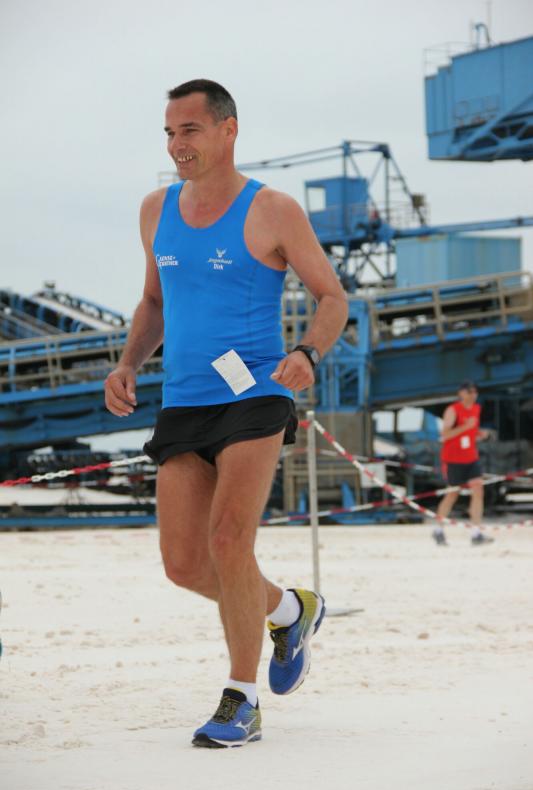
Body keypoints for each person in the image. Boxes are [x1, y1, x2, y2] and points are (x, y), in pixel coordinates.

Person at [104, 79, 348, 748]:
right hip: (184, 399)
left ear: (227, 129)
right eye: (169, 132)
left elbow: (332, 297)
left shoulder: (272, 209)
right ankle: (288, 609)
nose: (176, 144)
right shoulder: (155, 210)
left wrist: (307, 352)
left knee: (229, 541)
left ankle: (242, 698)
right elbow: (154, 303)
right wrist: (127, 364)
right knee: (184, 564)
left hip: (254, 395)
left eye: (189, 130)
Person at [432, 381, 493, 546]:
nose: (473, 395)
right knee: (452, 494)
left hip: (471, 457)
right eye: (470, 392)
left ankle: (476, 533)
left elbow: (471, 431)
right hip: (453, 459)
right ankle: (438, 529)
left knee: (478, 491)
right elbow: (445, 435)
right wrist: (466, 426)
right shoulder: (453, 410)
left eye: (475, 392)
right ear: (461, 393)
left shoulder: (476, 409)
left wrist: (479, 433)